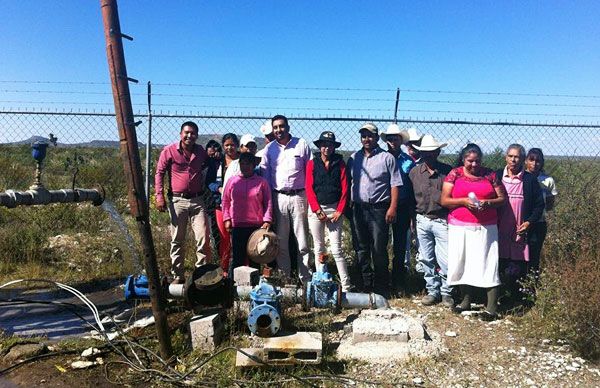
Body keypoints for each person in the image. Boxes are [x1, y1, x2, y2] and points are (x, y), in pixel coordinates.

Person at [441, 143, 506, 320]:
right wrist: (463, 201)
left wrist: (488, 203)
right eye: (470, 161)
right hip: (459, 225)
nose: (474, 165)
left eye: (477, 161)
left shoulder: (490, 175)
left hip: (486, 226)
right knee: (462, 260)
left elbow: (502, 199)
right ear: (463, 160)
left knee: (488, 261)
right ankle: (465, 301)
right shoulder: (455, 174)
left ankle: (491, 307)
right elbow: (445, 200)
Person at [347, 123, 403, 297]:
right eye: (363, 136)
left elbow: (395, 184)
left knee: (379, 248)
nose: (366, 139)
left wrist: (392, 207)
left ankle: (381, 286)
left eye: (370, 136)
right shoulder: (354, 158)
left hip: (379, 209)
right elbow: (349, 183)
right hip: (358, 208)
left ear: (377, 137)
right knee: (361, 248)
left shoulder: (387, 158)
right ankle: (365, 284)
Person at [154, 121, 211, 284]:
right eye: (187, 132)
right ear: (181, 134)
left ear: (197, 136)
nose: (189, 136)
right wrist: (159, 196)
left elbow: (209, 164)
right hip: (177, 200)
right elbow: (159, 173)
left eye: (193, 133)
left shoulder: (200, 152)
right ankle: (178, 275)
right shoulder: (170, 151)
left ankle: (200, 274)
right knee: (177, 239)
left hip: (197, 200)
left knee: (203, 238)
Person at [260, 115, 312, 282]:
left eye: (281, 126)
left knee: (302, 241)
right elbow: (266, 178)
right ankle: (286, 279)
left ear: (288, 127)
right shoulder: (269, 150)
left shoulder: (301, 144)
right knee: (281, 242)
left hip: (299, 196)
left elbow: (310, 172)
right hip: (279, 197)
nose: (278, 130)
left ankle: (305, 279)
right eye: (275, 127)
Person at [409, 135, 454, 307]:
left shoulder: (448, 172)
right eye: (425, 153)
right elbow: (412, 201)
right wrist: (412, 222)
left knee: (446, 259)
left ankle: (447, 292)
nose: (428, 156)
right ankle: (432, 290)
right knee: (426, 258)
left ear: (438, 152)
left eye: (432, 152)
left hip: (442, 220)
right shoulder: (414, 173)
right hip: (422, 219)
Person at [305, 131, 352, 291]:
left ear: (333, 147)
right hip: (316, 210)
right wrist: (316, 210)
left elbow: (345, 189)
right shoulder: (312, 163)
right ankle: (321, 283)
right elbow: (309, 188)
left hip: (334, 209)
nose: (327, 148)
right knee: (318, 247)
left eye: (330, 145)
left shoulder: (340, 163)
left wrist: (339, 210)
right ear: (319, 146)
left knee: (337, 249)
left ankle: (346, 285)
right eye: (324, 145)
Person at [496, 144, 544, 300]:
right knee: (500, 260)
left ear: (522, 160)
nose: (513, 160)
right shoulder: (497, 176)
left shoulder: (529, 180)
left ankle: (517, 296)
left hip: (520, 228)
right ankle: (499, 293)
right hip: (500, 226)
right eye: (510, 156)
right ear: (506, 157)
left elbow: (539, 205)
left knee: (519, 263)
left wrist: (529, 223)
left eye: (517, 157)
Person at [222, 152, 273, 277]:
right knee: (238, 258)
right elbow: (225, 201)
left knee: (255, 258)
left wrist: (267, 219)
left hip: (256, 227)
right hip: (238, 225)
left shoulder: (262, 182)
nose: (245, 166)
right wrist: (227, 218)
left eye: (248, 164)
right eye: (242, 163)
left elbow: (268, 202)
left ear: (254, 165)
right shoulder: (232, 181)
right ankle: (234, 286)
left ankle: (254, 286)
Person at [381, 124, 412, 295]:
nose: (393, 141)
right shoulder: (379, 158)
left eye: (396, 138)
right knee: (381, 245)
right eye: (390, 138)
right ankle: (383, 280)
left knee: (400, 246)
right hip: (382, 206)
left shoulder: (408, 161)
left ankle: (398, 281)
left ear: (401, 140)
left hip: (402, 206)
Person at [207, 133, 240, 274]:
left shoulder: (242, 161)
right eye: (226, 145)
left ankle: (240, 269)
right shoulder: (217, 163)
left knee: (239, 238)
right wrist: (219, 188)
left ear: (237, 145)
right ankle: (224, 269)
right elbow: (209, 182)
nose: (229, 147)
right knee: (224, 238)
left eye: (232, 144)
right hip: (220, 205)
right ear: (223, 146)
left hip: (240, 207)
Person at [524, 148, 557, 275]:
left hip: (538, 223)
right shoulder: (520, 178)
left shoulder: (548, 180)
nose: (534, 163)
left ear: (542, 163)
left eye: (538, 161)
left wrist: (537, 213)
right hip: (520, 222)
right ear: (526, 161)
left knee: (534, 255)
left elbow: (549, 204)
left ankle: (531, 286)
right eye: (531, 160)